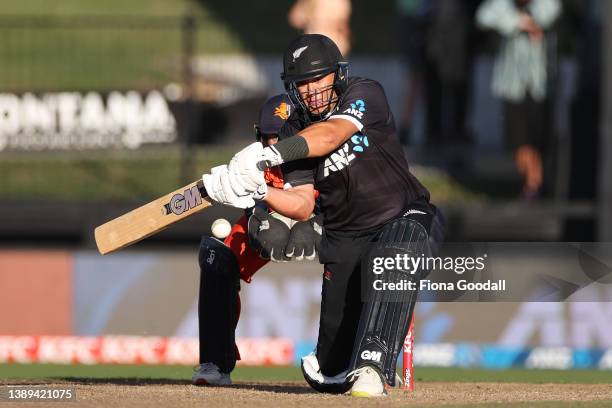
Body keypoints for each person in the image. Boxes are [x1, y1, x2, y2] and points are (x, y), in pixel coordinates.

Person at [202, 34, 445, 397]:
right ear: (292, 88)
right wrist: (256, 189)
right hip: (346, 237)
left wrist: (268, 156)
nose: (313, 89)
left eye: (320, 78)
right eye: (303, 83)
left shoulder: (365, 93)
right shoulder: (292, 129)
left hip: (404, 214)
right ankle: (346, 364)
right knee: (332, 367)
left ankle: (373, 365)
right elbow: (300, 203)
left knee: (396, 250)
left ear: (339, 74)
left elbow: (331, 135)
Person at [192, 94, 323, 386]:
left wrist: (317, 221)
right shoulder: (251, 158)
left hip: (324, 220)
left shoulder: (323, 149)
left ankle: (353, 362)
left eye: (283, 135)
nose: (276, 144)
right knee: (217, 258)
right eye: (269, 136)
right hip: (270, 214)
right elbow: (244, 189)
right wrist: (224, 186)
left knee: (354, 258)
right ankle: (215, 362)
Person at [476, 0, 561, 198]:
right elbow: (484, 16)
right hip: (513, 84)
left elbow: (548, 15)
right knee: (519, 139)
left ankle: (534, 183)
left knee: (537, 137)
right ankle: (533, 183)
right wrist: (518, 22)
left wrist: (524, 22)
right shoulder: (506, 5)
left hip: (540, 83)